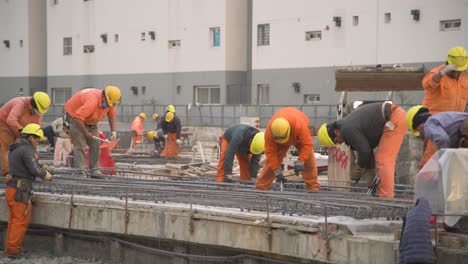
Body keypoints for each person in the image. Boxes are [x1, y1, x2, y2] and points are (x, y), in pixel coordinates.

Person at [317, 102, 407, 198]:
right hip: (393, 116)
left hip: (393, 117)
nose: (339, 143)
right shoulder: (348, 126)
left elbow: (365, 151)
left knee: (384, 159)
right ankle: (381, 193)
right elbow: (367, 151)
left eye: (336, 140)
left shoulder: (347, 130)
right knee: (381, 159)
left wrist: (358, 170)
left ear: (336, 131)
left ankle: (386, 197)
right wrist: (370, 177)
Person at [4, 123, 52, 258]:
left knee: (13, 221)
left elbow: (26, 164)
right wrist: (44, 174)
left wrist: (41, 164)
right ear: (31, 137)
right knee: (19, 221)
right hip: (20, 190)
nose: (37, 142)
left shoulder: (16, 147)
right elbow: (32, 169)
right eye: (37, 139)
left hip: (13, 189)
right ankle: (13, 251)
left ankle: (10, 248)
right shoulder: (27, 149)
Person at [419, 46, 468, 168]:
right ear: (448, 64)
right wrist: (442, 73)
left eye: (460, 70)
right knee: (431, 159)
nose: (457, 73)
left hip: (456, 127)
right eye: (455, 70)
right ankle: (426, 184)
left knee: (453, 162)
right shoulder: (438, 73)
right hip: (435, 124)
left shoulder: (465, 77)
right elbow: (426, 84)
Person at [256, 107, 320, 191]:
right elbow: (270, 154)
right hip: (284, 134)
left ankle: (313, 187)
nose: (282, 142)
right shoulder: (269, 133)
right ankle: (261, 188)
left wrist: (301, 161)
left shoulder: (299, 126)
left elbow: (307, 145)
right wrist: (277, 171)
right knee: (271, 163)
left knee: (309, 160)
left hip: (296, 135)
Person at [64, 86, 120, 177]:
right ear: (103, 96)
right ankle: (80, 171)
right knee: (80, 145)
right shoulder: (91, 102)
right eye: (108, 103)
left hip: (90, 121)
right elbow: (77, 118)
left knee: (95, 144)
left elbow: (111, 116)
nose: (109, 106)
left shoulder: (109, 103)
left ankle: (94, 170)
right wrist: (86, 133)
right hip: (76, 119)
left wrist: (113, 131)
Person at [0, 92, 51, 176]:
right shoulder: (20, 104)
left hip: (18, 129)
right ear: (33, 103)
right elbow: (11, 120)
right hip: (4, 126)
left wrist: (36, 162)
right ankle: (7, 173)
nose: (38, 112)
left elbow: (36, 129)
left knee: (24, 147)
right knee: (8, 147)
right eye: (38, 110)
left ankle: (20, 168)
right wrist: (25, 133)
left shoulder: (37, 112)